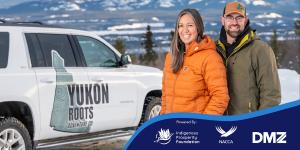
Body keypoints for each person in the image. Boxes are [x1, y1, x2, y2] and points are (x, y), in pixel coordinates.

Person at [216, 2, 281, 115]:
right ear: (223, 20)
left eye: (239, 18)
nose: (234, 22)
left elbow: (271, 96)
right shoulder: (214, 50)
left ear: (245, 20)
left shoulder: (260, 50)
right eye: (230, 18)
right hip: (217, 122)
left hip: (247, 123)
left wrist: (257, 123)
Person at [160, 9, 229, 115]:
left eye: (190, 25)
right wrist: (163, 120)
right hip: (172, 126)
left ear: (198, 27)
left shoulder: (210, 58)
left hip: (195, 128)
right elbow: (165, 96)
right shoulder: (171, 57)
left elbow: (220, 97)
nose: (185, 30)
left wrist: (203, 124)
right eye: (181, 26)